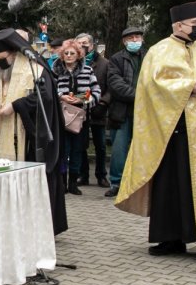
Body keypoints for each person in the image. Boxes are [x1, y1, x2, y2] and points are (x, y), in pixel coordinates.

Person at [115, 1, 196, 264]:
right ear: (178, 25)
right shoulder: (159, 51)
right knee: (171, 187)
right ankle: (172, 238)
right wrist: (188, 86)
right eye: (194, 24)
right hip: (172, 130)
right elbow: (151, 86)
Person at [0, 29, 67, 235]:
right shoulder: (5, 69)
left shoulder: (36, 69)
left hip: (31, 138)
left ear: (14, 53)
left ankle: (38, 228)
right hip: (8, 133)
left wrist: (15, 106)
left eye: (2, 59)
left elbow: (45, 99)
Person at [53, 41, 100, 196]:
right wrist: (61, 97)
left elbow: (96, 92)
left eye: (72, 53)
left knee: (77, 151)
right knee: (63, 151)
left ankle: (73, 183)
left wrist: (83, 100)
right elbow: (49, 91)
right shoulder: (55, 71)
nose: (69, 56)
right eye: (66, 53)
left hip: (81, 118)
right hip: (61, 118)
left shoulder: (87, 70)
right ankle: (62, 183)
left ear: (79, 54)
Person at [105, 27, 145, 198]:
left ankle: (141, 182)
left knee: (144, 148)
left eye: (137, 37)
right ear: (124, 41)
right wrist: (141, 96)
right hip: (121, 110)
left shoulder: (150, 57)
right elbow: (115, 84)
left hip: (145, 112)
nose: (134, 40)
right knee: (119, 149)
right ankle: (116, 182)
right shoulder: (116, 59)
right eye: (130, 38)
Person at [75, 33, 110, 188]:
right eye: (78, 43)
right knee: (81, 145)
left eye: (84, 43)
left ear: (91, 45)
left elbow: (110, 88)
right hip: (81, 111)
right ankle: (83, 175)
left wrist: (102, 103)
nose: (81, 46)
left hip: (98, 111)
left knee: (100, 145)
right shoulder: (74, 63)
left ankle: (101, 175)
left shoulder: (104, 63)